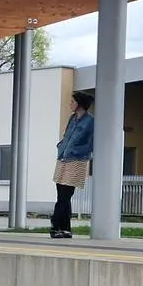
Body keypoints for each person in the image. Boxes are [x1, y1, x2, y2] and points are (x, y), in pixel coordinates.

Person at [50, 91, 95, 239]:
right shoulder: (72, 118)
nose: (70, 104)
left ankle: (55, 225)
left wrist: (78, 151)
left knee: (65, 194)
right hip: (63, 157)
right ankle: (65, 228)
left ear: (80, 104)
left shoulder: (90, 121)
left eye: (73, 102)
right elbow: (66, 136)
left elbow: (91, 141)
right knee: (61, 194)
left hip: (77, 159)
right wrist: (61, 146)